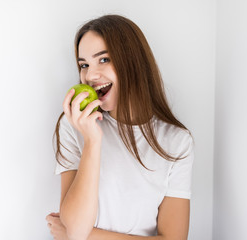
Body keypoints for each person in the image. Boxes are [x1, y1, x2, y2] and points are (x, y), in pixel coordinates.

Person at [46, 14, 194, 240]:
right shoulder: (73, 126)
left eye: (103, 60)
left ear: (133, 61)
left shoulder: (177, 141)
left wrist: (88, 235)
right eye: (84, 64)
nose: (90, 75)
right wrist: (92, 141)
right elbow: (76, 229)